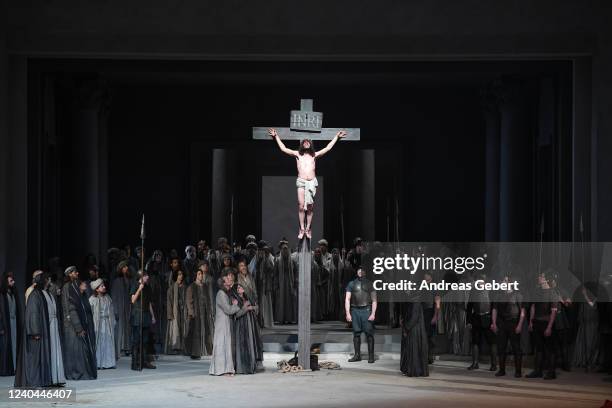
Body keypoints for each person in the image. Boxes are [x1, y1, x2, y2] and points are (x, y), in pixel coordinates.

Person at [268, 127, 347, 239]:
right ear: (301, 145)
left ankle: (308, 228)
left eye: (308, 142)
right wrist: (276, 136)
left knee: (310, 207)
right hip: (301, 181)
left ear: (310, 145)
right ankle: (301, 228)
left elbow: (327, 148)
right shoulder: (297, 155)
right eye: (304, 142)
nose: (306, 143)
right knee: (301, 206)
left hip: (311, 182)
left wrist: (336, 137)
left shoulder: (314, 155)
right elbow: (284, 149)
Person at [14, 271, 53, 387]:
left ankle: (39, 381)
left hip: (39, 331)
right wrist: (35, 331)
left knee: (38, 358)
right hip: (35, 333)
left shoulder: (39, 293)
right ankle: (33, 382)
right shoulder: (33, 294)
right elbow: (33, 314)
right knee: (34, 358)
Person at [61, 266, 97, 380]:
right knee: (75, 349)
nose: (77, 273)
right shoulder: (68, 287)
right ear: (70, 274)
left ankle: (83, 371)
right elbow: (69, 307)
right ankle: (76, 373)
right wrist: (76, 326)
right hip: (71, 324)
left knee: (81, 350)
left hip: (79, 323)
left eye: (76, 272)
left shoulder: (77, 289)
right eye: (74, 272)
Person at [209, 270, 246, 376]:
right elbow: (228, 310)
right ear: (223, 282)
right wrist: (236, 305)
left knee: (226, 346)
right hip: (222, 324)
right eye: (228, 278)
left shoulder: (227, 293)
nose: (230, 279)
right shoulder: (221, 294)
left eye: (231, 278)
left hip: (227, 323)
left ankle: (226, 369)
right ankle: (220, 369)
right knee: (221, 346)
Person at [491, 274, 525, 377]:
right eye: (502, 281)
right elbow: (494, 310)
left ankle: (518, 371)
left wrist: (519, 325)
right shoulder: (498, 295)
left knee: (516, 348)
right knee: (501, 348)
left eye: (505, 281)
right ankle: (502, 370)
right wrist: (494, 323)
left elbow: (522, 311)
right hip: (501, 324)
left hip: (513, 323)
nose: (502, 282)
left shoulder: (517, 295)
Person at [526, 271, 558, 380]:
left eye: (541, 276)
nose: (539, 277)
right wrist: (531, 321)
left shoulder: (552, 293)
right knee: (538, 348)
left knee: (549, 349)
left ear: (546, 279)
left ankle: (551, 372)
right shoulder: (537, 291)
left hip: (546, 324)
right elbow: (533, 307)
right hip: (537, 323)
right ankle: (537, 371)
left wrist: (549, 327)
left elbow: (553, 312)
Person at [345, 267, 377, 363]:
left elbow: (374, 300)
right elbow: (347, 299)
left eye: (362, 270)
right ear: (356, 272)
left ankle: (371, 356)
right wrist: (348, 313)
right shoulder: (351, 284)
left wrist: (373, 313)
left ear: (365, 272)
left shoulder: (370, 284)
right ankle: (357, 355)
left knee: (369, 334)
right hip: (355, 310)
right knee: (356, 333)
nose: (360, 272)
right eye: (358, 270)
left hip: (366, 310)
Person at [466, 272, 497, 371]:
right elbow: (469, 307)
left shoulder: (490, 291)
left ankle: (494, 364)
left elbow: (494, 307)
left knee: (492, 342)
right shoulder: (473, 291)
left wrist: (494, 321)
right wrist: (469, 321)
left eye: (482, 280)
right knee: (475, 341)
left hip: (488, 318)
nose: (480, 282)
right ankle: (475, 363)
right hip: (476, 318)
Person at [231, 283, 263, 374]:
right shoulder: (235, 300)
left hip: (250, 324)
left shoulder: (247, 297)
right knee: (243, 345)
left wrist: (252, 307)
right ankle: (244, 367)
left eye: (241, 287)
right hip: (241, 326)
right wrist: (246, 308)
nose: (240, 288)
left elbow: (256, 307)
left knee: (251, 344)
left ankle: (252, 365)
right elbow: (237, 314)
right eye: (238, 288)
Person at [185, 266, 214, 358]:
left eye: (201, 274)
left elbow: (208, 299)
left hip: (204, 311)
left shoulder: (205, 286)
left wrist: (209, 310)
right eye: (199, 274)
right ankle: (195, 352)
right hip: (196, 313)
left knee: (206, 330)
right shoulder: (192, 286)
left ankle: (206, 350)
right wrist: (191, 313)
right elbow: (189, 301)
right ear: (196, 276)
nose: (201, 276)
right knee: (196, 332)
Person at [42, 273, 65, 386]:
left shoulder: (50, 294)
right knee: (51, 349)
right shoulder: (41, 294)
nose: (49, 281)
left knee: (56, 350)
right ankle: (51, 377)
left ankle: (57, 377)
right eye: (47, 279)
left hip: (54, 324)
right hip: (48, 325)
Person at [130, 270, 156, 370]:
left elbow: (148, 303)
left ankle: (144, 361)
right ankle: (134, 363)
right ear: (140, 277)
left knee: (145, 341)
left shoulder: (148, 287)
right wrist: (139, 290)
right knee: (136, 340)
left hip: (145, 315)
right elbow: (133, 300)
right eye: (145, 275)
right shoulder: (135, 285)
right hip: (137, 315)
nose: (147, 277)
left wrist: (153, 316)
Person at [89, 279, 116, 369]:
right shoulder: (92, 299)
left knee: (107, 342)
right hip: (98, 323)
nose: (104, 287)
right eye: (102, 286)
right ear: (97, 289)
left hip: (107, 323)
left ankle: (108, 363)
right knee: (99, 343)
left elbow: (111, 311)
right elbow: (90, 313)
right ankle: (98, 363)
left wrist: (113, 321)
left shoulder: (107, 298)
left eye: (104, 286)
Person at [400, 297, 429, 377]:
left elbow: (414, 318)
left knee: (414, 350)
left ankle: (414, 370)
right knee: (412, 350)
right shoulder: (412, 301)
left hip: (414, 330)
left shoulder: (416, 302)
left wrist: (406, 328)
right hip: (413, 328)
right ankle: (410, 369)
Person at [0, 271, 21, 376]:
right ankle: (6, 369)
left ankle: (13, 368)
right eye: (11, 280)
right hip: (6, 324)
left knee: (14, 344)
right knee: (6, 346)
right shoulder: (2, 294)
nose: (13, 282)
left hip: (13, 322)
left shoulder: (13, 292)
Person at [111, 260, 132, 358]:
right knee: (120, 328)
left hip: (126, 307)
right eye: (124, 267)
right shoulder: (116, 281)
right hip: (119, 307)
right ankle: (120, 348)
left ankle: (127, 347)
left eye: (126, 267)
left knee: (127, 327)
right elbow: (114, 296)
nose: (126, 268)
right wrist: (115, 310)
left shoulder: (128, 279)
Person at [274, 239, 297, 324]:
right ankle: (281, 318)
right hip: (281, 283)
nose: (285, 251)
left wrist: (295, 282)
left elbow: (295, 272)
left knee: (289, 301)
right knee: (281, 301)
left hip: (289, 283)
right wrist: (276, 284)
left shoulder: (292, 261)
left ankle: (290, 318)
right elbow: (275, 273)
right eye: (283, 249)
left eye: (286, 249)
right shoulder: (277, 260)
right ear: (281, 251)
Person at [165, 269, 188, 355]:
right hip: (175, 311)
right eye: (179, 274)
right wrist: (170, 314)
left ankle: (182, 346)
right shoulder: (171, 288)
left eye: (181, 274)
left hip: (183, 310)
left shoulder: (185, 287)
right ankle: (175, 347)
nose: (180, 276)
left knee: (183, 327)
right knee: (175, 329)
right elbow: (169, 301)